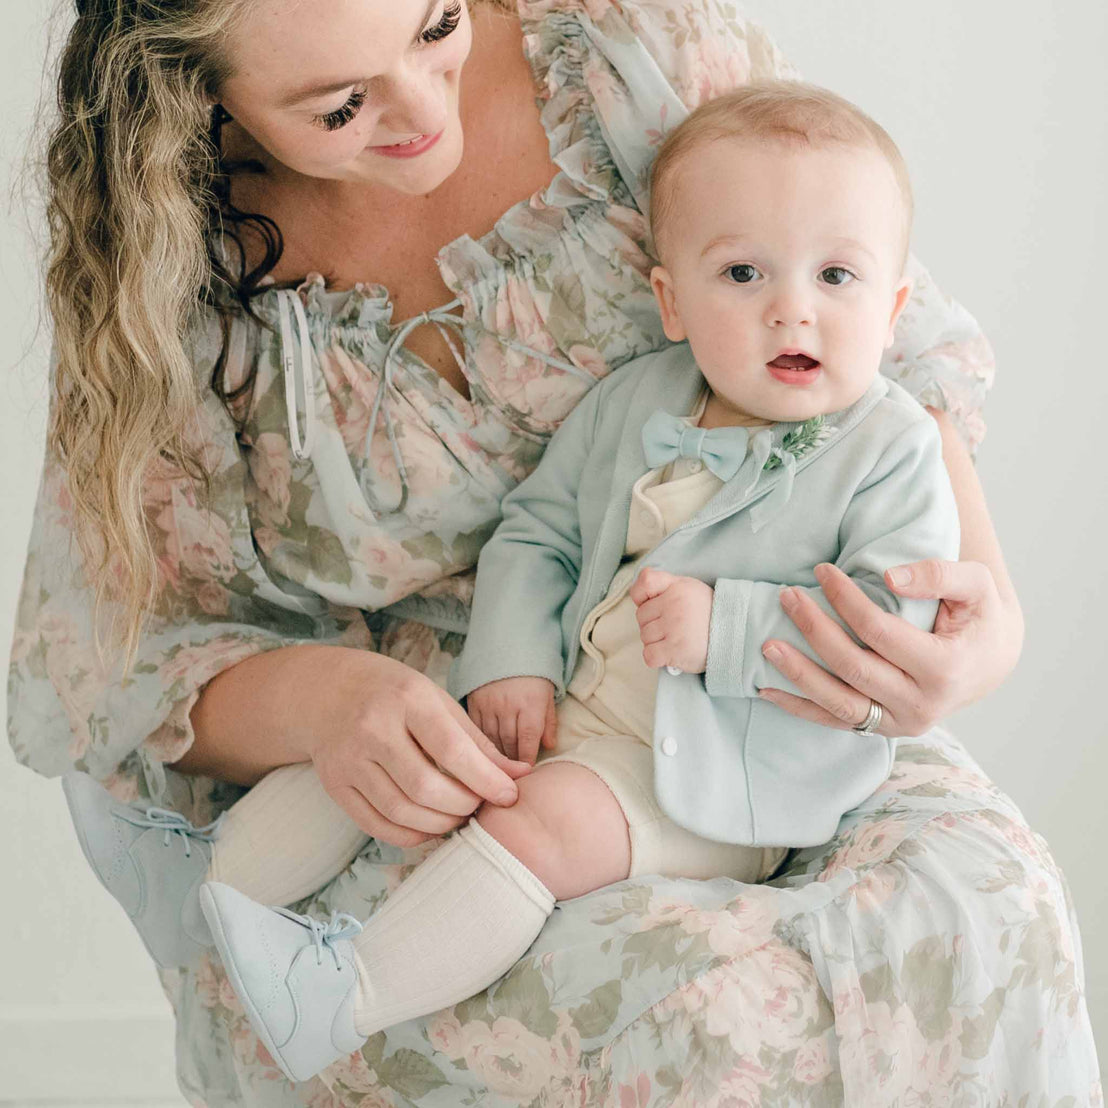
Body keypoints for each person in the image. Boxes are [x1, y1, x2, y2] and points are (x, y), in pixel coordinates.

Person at [9, 0, 1037, 1101]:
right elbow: (110, 658)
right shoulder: (169, 254)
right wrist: (330, 699)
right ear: (199, 97)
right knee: (709, 1021)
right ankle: (329, 980)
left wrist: (985, 631)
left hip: (770, 705)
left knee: (987, 903)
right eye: (342, 104)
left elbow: (891, 372)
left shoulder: (627, 47)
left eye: (436, 23)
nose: (422, 109)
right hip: (436, 731)